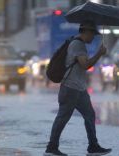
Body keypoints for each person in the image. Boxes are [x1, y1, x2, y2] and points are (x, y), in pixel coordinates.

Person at [44, 21, 112, 156]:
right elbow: (85, 65)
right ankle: (51, 148)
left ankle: (93, 146)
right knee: (63, 117)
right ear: (86, 32)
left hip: (79, 88)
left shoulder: (79, 44)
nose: (93, 37)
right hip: (70, 88)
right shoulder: (77, 44)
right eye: (93, 34)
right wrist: (99, 53)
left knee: (90, 115)